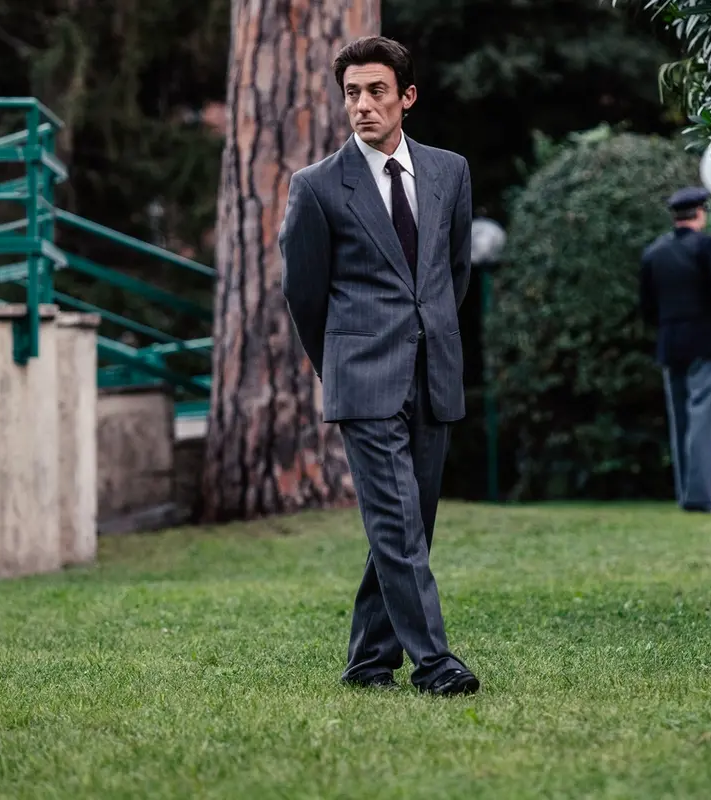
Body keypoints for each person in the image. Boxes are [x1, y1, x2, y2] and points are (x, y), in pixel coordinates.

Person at [278, 36, 479, 696]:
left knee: (407, 525)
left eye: (376, 92)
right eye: (352, 94)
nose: (362, 106)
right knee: (396, 522)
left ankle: (368, 662)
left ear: (406, 98)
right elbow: (304, 294)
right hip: (362, 376)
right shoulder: (316, 188)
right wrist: (334, 360)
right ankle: (434, 664)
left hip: (433, 371)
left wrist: (435, 335)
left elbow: (452, 273)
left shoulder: (450, 172)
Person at [638, 186, 711, 515]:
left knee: (681, 420)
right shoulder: (706, 246)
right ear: (700, 213)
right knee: (702, 421)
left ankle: (687, 494)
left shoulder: (653, 252)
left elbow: (647, 308)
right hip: (704, 341)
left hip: (670, 344)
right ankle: (701, 497)